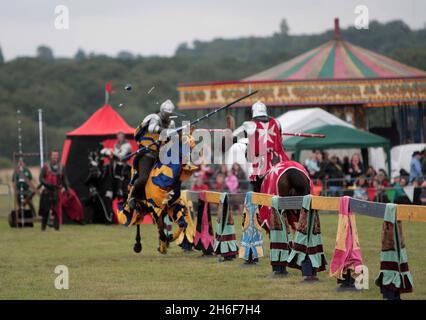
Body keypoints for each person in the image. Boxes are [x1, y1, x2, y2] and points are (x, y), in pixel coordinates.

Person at [126, 100, 176, 211]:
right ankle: (132, 197)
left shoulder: (171, 123)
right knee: (144, 178)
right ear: (162, 112)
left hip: (159, 155)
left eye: (170, 114)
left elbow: (171, 140)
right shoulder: (154, 117)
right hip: (146, 153)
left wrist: (173, 134)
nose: (168, 116)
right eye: (166, 114)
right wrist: (165, 131)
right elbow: (152, 128)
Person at [231, 101, 289, 192]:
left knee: (255, 184)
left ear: (253, 111)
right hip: (279, 158)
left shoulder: (250, 124)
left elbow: (235, 137)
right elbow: (280, 140)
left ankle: (257, 201)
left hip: (263, 162)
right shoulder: (276, 122)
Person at [39, 150, 70, 231]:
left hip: (57, 192)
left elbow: (65, 179)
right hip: (47, 191)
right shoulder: (46, 166)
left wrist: (68, 189)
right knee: (46, 211)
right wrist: (48, 184)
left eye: (56, 155)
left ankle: (56, 228)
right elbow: (41, 178)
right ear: (51, 156)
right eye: (53, 155)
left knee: (57, 211)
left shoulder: (62, 167)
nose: (55, 157)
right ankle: (43, 228)